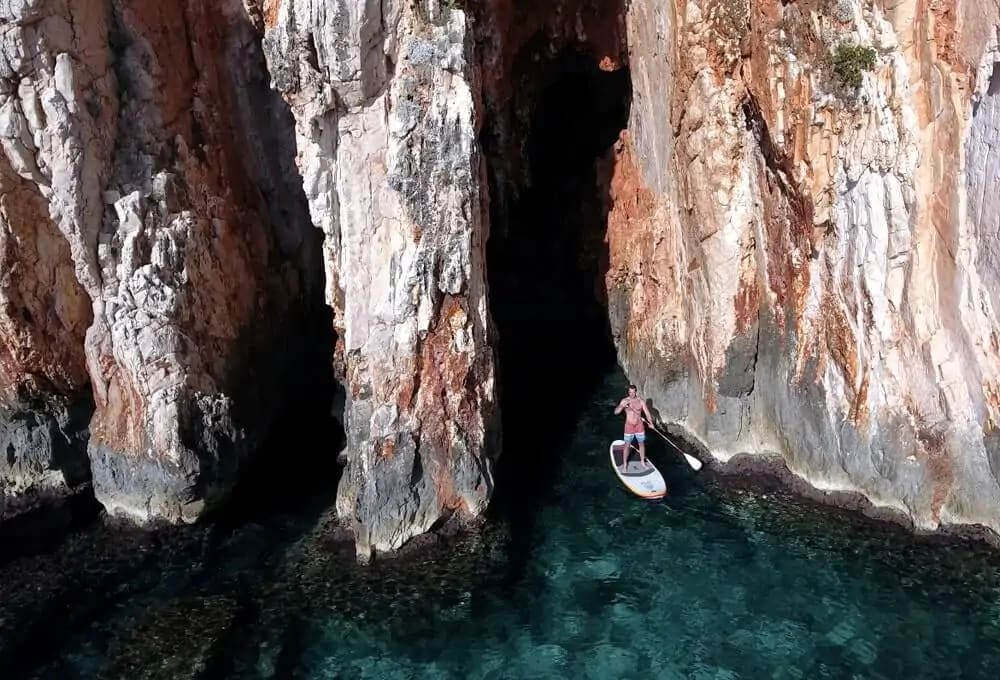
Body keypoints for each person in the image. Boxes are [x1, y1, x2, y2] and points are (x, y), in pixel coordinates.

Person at [614, 384, 654, 470]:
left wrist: (650, 423)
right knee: (627, 445)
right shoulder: (625, 401)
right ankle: (625, 465)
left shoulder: (641, 401)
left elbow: (647, 413)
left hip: (639, 425)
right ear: (628, 392)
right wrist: (621, 406)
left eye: (633, 392)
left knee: (641, 444)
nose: (632, 394)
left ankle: (643, 462)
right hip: (629, 426)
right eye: (630, 392)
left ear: (636, 392)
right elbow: (616, 412)